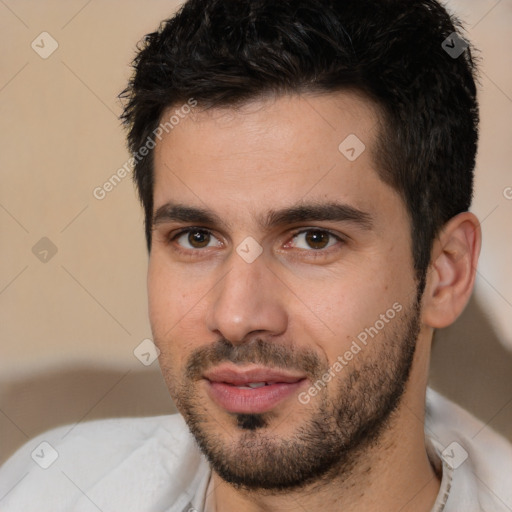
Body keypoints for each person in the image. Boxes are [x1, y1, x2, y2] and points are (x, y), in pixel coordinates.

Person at [1, 0, 511, 510]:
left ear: (446, 273)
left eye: (314, 239)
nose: (236, 316)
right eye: (197, 238)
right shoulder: (47, 488)